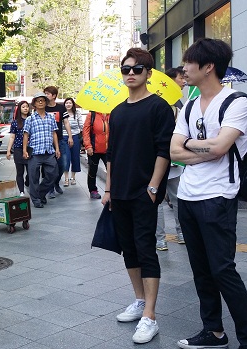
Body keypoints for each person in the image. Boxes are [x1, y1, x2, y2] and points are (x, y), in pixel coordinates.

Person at [170, 38, 247, 349]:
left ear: (208, 66)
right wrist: (205, 148)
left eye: (189, 62)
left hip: (218, 196)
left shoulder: (236, 102)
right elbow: (175, 149)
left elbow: (222, 147)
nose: (184, 68)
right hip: (187, 197)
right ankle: (213, 332)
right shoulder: (188, 105)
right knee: (200, 270)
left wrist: (197, 146)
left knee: (222, 269)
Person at [101, 47, 174, 344]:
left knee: (146, 250)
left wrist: (153, 188)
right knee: (128, 249)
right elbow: (112, 155)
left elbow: (164, 150)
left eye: (137, 69)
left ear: (148, 73)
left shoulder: (159, 107)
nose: (130, 73)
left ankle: (150, 316)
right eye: (126, 69)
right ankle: (139, 300)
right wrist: (108, 189)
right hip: (119, 192)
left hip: (144, 192)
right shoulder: (117, 112)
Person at [156, 66, 187, 250]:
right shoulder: (172, 106)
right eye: (180, 78)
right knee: (174, 198)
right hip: (170, 159)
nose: (184, 81)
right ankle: (179, 233)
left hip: (169, 160)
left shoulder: (174, 104)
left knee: (163, 200)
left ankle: (161, 239)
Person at [22, 92, 60, 208]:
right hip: (35, 152)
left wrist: (57, 148)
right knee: (33, 177)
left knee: (54, 174)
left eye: (42, 100)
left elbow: (54, 133)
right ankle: (36, 199)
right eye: (38, 100)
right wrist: (24, 150)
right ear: (34, 104)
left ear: (46, 103)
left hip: (49, 151)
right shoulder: (30, 119)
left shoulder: (51, 117)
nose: (40, 102)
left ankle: (40, 193)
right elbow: (26, 135)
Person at [44, 86, 72, 198]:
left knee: (63, 164)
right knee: (50, 166)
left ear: (54, 95)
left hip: (60, 140)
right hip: (47, 141)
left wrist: (70, 136)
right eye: (45, 93)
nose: (46, 95)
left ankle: (56, 182)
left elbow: (66, 123)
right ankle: (50, 188)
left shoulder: (61, 108)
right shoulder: (43, 108)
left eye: (48, 93)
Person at [82, 110, 110, 199]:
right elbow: (85, 132)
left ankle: (112, 190)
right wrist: (88, 146)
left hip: (109, 150)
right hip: (94, 149)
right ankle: (93, 190)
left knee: (111, 170)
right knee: (92, 170)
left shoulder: (112, 114)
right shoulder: (92, 115)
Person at [6, 100, 31, 196]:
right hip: (18, 149)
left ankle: (27, 183)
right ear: (19, 109)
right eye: (23, 107)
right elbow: (12, 137)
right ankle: (21, 191)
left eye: (27, 107)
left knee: (31, 171)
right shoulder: (15, 122)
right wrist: (8, 150)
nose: (25, 108)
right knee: (20, 171)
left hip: (30, 149)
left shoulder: (32, 120)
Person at [62, 97, 82, 187]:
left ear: (73, 104)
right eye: (67, 103)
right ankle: (66, 178)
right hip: (64, 137)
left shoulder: (77, 113)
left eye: (70, 103)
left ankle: (73, 177)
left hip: (75, 136)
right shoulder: (62, 113)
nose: (68, 105)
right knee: (66, 158)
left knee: (75, 157)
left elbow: (81, 125)